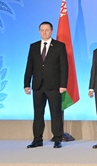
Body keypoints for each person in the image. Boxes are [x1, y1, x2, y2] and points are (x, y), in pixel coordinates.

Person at [23, 21, 68, 149]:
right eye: (42, 30)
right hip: (38, 86)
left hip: (54, 86)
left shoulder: (59, 46)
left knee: (55, 113)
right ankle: (37, 139)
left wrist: (63, 84)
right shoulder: (33, 46)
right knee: (38, 113)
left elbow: (64, 67)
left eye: (47, 30)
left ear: (51, 31)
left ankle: (57, 139)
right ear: (39, 31)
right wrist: (26, 83)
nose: (44, 32)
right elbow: (29, 66)